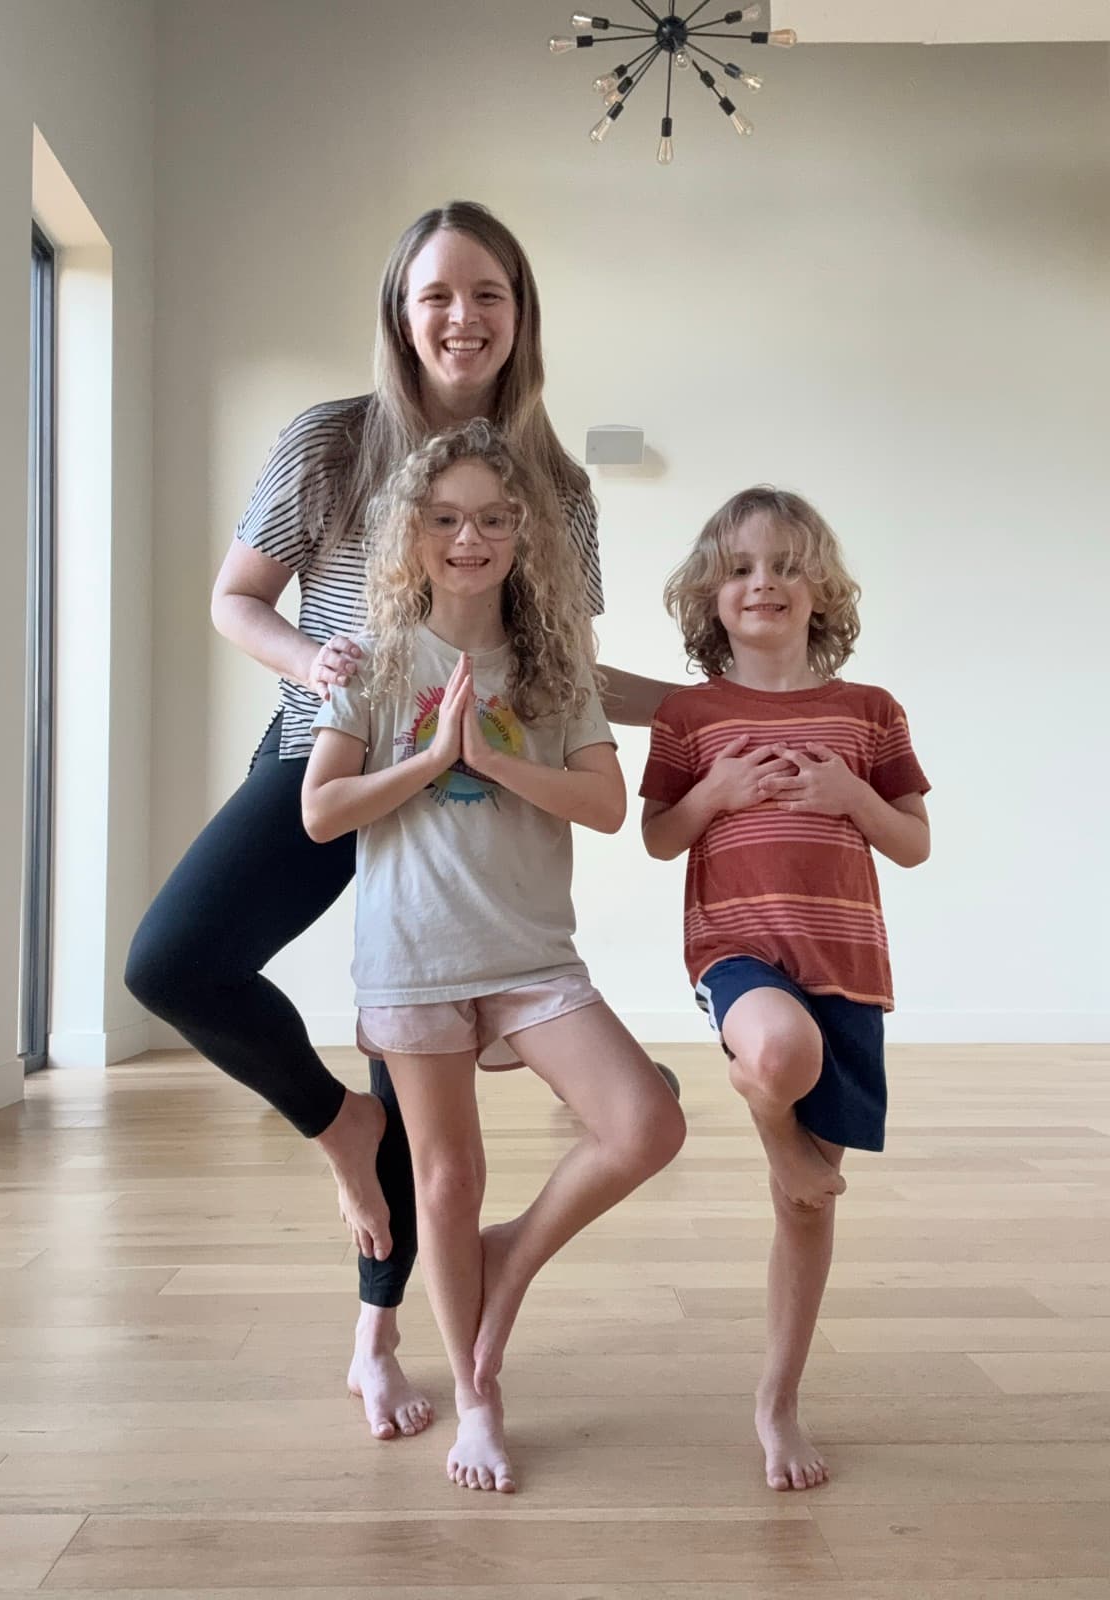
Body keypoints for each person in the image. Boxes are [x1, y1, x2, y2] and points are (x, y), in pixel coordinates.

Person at [123, 200, 677, 1442]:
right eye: (437, 294)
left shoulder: (559, 486)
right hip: (342, 740)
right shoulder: (330, 441)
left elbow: (574, 668)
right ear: (400, 311)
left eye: (488, 293)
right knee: (172, 963)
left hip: (479, 782)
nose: (462, 316)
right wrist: (318, 663)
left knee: (417, 1061)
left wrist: (709, 709)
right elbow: (235, 599)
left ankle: (379, 1343)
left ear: (519, 315)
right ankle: (344, 1126)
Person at [302, 421, 686, 1493]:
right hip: (413, 960)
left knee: (646, 1122)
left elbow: (607, 805)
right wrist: (431, 757)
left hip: (529, 957)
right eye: (446, 517)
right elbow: (322, 810)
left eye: (493, 518)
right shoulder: (376, 663)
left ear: (523, 534)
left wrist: (490, 760)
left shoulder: (554, 668)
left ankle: (510, 1256)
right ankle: (480, 1395)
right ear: (413, 531)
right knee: (448, 1180)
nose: (469, 536)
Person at [640, 486, 930, 1492]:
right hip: (737, 951)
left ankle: (778, 1400)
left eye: (784, 565)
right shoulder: (689, 715)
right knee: (773, 1052)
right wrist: (715, 793)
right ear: (709, 597)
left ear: (821, 590)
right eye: (739, 567)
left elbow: (915, 842)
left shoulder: (869, 711)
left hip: (845, 964)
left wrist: (853, 796)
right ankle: (776, 1133)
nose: (761, 582)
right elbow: (661, 833)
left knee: (804, 1211)